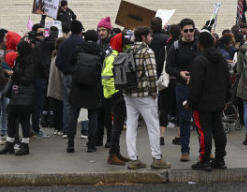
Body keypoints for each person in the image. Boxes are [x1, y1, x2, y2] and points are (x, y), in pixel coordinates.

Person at [122, 27, 170, 170]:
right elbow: (151, 74)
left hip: (129, 94)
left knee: (131, 126)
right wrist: (154, 91)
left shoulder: (128, 50)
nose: (151, 38)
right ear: (143, 37)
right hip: (144, 95)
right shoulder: (147, 51)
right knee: (153, 126)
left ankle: (133, 159)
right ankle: (157, 158)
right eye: (149, 36)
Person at [187, 31, 230, 171]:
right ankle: (220, 159)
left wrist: (191, 102)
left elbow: (195, 85)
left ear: (200, 45)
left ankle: (205, 160)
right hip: (218, 100)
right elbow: (227, 80)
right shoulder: (222, 59)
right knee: (218, 129)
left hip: (203, 103)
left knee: (204, 131)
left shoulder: (199, 61)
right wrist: (227, 99)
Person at [166, 18, 199, 161]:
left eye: (191, 30)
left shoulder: (199, 44)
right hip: (182, 87)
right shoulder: (175, 46)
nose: (189, 33)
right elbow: (168, 67)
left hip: (199, 87)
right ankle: (185, 150)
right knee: (185, 119)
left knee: (201, 119)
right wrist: (179, 73)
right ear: (181, 31)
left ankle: (205, 149)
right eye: (186, 31)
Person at [0, 38, 37, 156]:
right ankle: (9, 144)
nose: (18, 52)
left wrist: (15, 75)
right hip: (17, 94)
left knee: (24, 120)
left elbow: (27, 79)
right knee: (11, 118)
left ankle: (25, 146)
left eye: (19, 50)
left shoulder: (30, 61)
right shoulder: (20, 59)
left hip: (25, 94)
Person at [67, 29, 104, 153]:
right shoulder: (100, 51)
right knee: (93, 116)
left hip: (77, 86)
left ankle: (70, 144)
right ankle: (91, 145)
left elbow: (70, 64)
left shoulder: (78, 49)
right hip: (93, 87)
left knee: (73, 115)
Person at [101, 32, 129, 165]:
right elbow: (106, 78)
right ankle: (112, 154)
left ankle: (116, 152)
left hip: (115, 95)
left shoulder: (116, 55)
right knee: (117, 127)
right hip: (115, 97)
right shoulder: (113, 57)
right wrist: (117, 94)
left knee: (118, 125)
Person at [56, 20, 85, 140]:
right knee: (83, 102)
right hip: (81, 76)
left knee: (67, 103)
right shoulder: (82, 43)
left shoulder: (64, 44)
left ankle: (66, 130)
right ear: (80, 30)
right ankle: (85, 130)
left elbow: (58, 62)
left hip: (67, 76)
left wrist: (65, 69)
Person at [149, 17, 172, 147]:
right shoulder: (166, 39)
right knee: (163, 105)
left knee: (152, 102)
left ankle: (154, 130)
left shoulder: (149, 39)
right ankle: (161, 133)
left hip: (151, 72)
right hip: (163, 74)